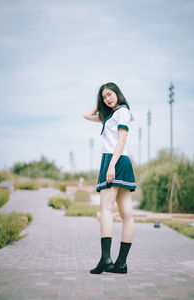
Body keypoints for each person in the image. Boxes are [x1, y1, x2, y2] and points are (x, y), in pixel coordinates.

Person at [83, 82, 136, 274]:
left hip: (114, 159)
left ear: (118, 93)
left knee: (106, 209)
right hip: (122, 160)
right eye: (104, 97)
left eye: (110, 94)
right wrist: (101, 103)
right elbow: (86, 116)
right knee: (127, 213)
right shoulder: (111, 115)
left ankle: (106, 259)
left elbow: (122, 139)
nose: (108, 99)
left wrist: (111, 165)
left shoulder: (122, 111)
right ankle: (121, 263)